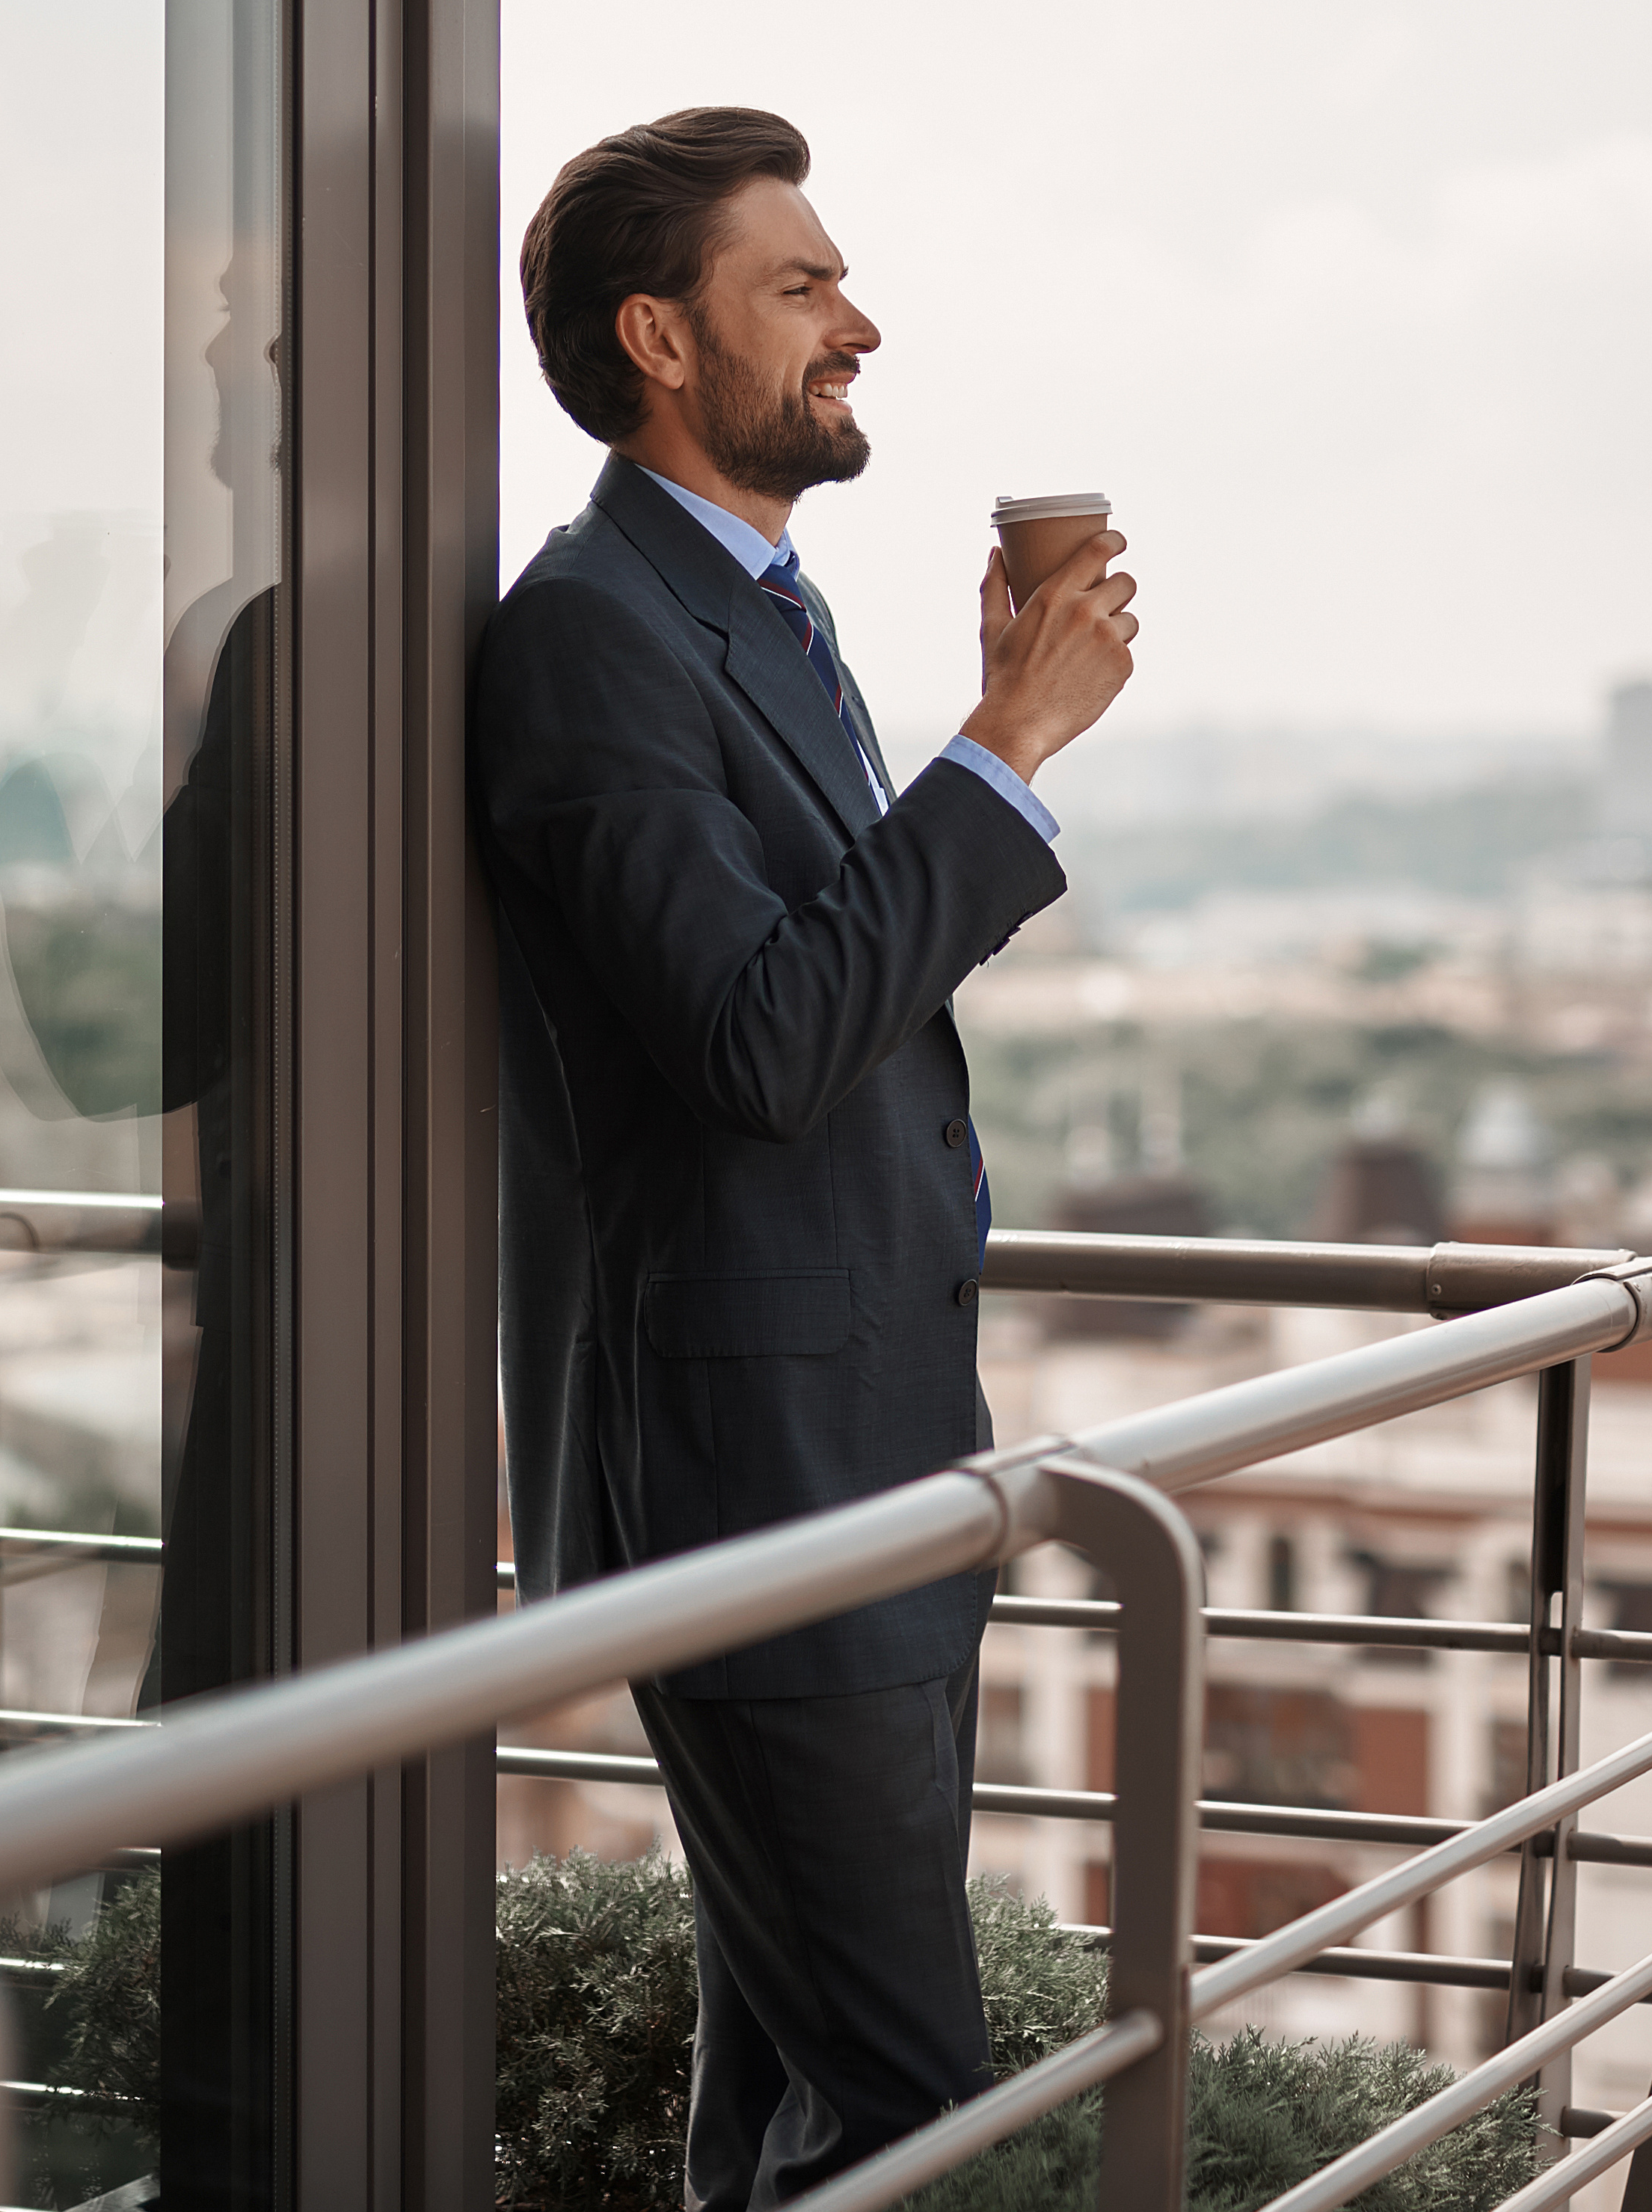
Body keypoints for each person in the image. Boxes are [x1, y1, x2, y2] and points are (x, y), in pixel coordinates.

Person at [478, 106, 1139, 2209]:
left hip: (872, 1445)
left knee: (793, 2101)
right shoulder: (594, 635)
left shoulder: (763, 612)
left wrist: (966, 727)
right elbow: (761, 1042)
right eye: (803, 285)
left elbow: (830, 994)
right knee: (910, 2110)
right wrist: (1004, 752)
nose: (862, 322)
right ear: (661, 339)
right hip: (754, 1472)